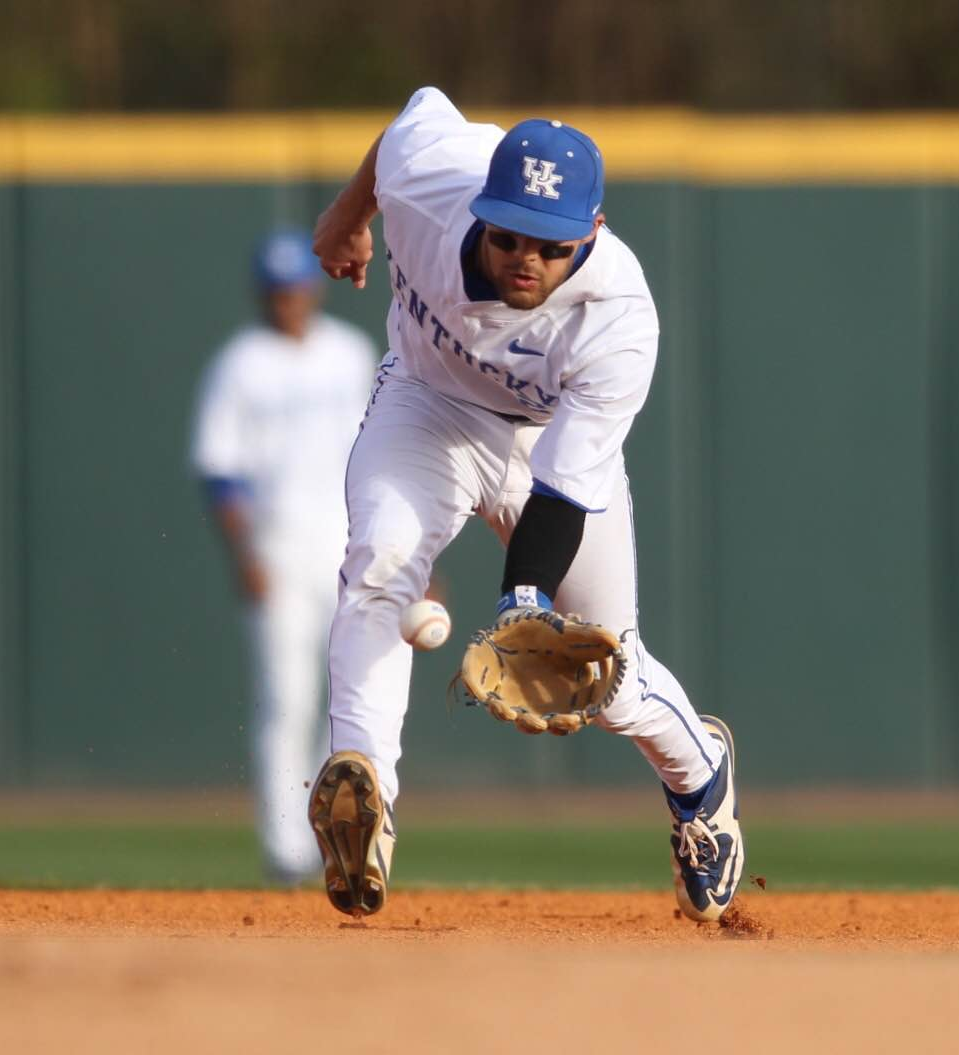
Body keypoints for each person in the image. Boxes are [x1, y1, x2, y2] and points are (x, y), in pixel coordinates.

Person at [305, 86, 744, 921]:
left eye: (548, 245)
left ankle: (700, 781)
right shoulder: (431, 176)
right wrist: (345, 214)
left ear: (593, 231)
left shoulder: (618, 318)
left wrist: (524, 603)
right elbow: (404, 123)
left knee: (607, 678)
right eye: (505, 234)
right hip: (426, 408)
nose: (522, 259)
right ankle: (361, 788)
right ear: (479, 209)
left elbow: (562, 489)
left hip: (547, 451)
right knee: (379, 568)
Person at [190, 230, 378, 883]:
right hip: (278, 545)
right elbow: (220, 470)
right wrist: (244, 551)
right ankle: (285, 849)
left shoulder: (351, 354)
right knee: (288, 700)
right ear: (262, 295)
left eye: (296, 288)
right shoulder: (241, 362)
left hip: (352, 544)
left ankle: (343, 840)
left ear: (314, 287)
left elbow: (383, 457)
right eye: (277, 291)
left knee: (355, 698)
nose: (288, 301)